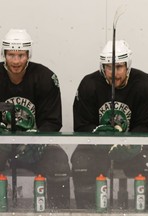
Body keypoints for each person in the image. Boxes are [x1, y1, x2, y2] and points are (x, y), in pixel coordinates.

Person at [71, 40, 148, 209]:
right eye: (108, 67)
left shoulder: (145, 84)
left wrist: (129, 144)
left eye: (118, 67)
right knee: (81, 162)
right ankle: (85, 211)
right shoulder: (89, 84)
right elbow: (82, 125)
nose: (113, 73)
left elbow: (147, 125)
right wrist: (99, 137)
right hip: (96, 147)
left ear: (128, 66)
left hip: (134, 146)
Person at [0, 29, 70, 209]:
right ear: (4, 54)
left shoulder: (45, 77)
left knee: (58, 161)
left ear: (28, 55)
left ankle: (59, 210)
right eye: (11, 55)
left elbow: (52, 120)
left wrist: (37, 141)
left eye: (21, 55)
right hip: (2, 144)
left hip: (35, 144)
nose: (16, 61)